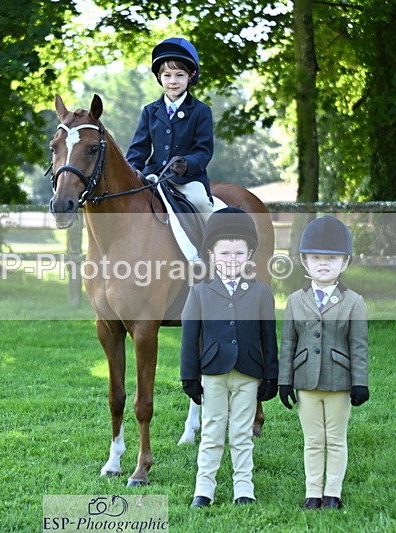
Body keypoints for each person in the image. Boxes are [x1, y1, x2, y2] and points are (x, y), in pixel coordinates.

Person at [180, 207, 278, 508]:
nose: (231, 260)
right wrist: (189, 376)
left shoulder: (261, 293)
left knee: (241, 432)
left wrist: (271, 374)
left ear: (249, 255)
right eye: (224, 253)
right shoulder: (199, 292)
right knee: (211, 430)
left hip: (248, 372)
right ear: (211, 255)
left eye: (238, 253)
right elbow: (189, 338)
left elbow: (268, 338)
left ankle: (243, 489)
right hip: (213, 373)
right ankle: (204, 489)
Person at [278, 215, 369, 510]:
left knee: (336, 439)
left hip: (339, 381)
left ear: (345, 263)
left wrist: (360, 382)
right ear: (305, 262)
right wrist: (284, 380)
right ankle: (312, 493)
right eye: (316, 258)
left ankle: (333, 493)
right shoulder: (294, 300)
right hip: (305, 380)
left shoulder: (354, 302)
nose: (323, 264)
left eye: (331, 258)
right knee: (313, 440)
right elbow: (288, 343)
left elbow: (358, 346)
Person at [126, 37, 218, 260]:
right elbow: (138, 148)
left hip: (188, 179)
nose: (173, 81)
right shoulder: (150, 111)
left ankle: (212, 255)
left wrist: (187, 164)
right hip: (153, 176)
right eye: (167, 75)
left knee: (202, 204)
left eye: (179, 75)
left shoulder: (200, 111)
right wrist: (132, 171)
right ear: (159, 78)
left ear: (191, 76)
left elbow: (204, 150)